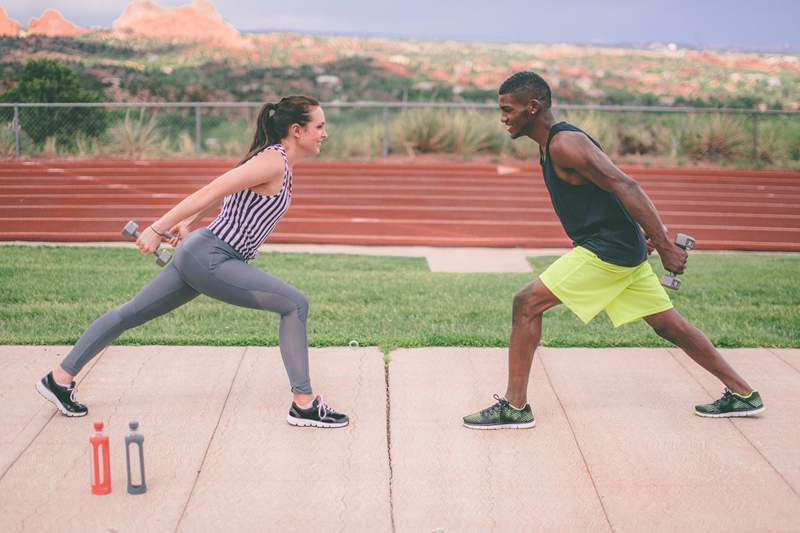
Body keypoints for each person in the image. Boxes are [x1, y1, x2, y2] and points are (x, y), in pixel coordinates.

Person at [463, 72, 764, 429]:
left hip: (606, 251)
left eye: (508, 109)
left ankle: (515, 407)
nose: (503, 118)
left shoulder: (565, 144)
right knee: (671, 327)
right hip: (621, 248)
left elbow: (625, 184)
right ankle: (744, 394)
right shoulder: (552, 145)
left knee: (526, 303)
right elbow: (610, 190)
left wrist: (665, 245)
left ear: (533, 107)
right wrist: (642, 234)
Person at [36, 95, 349, 428]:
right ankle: (304, 404)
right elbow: (211, 189)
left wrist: (189, 223)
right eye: (320, 126)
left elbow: (230, 191)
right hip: (212, 257)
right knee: (294, 305)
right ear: (297, 130)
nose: (325, 133)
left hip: (203, 252)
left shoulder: (277, 163)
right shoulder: (273, 161)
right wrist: (159, 228)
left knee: (131, 312)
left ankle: (59, 378)